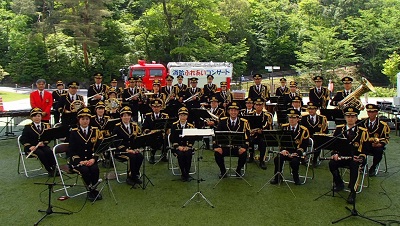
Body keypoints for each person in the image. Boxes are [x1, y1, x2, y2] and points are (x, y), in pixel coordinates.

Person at [329, 107, 369, 204]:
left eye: (352, 116)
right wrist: (334, 154)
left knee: (354, 166)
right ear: (345, 117)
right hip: (342, 156)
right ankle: (339, 183)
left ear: (356, 118)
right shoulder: (339, 129)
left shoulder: (363, 132)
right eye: (348, 116)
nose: (350, 118)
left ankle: (352, 192)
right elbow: (335, 146)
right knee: (332, 163)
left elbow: (366, 149)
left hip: (356, 158)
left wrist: (361, 157)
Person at [69, 108, 103, 201]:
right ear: (78, 120)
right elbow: (71, 151)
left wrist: (93, 159)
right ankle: (89, 189)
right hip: (78, 160)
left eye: (87, 119)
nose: (85, 121)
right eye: (82, 119)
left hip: (90, 159)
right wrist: (80, 161)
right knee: (85, 170)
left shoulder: (95, 131)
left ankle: (94, 188)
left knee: (95, 169)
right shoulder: (74, 132)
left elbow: (98, 148)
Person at [270, 109, 310, 185]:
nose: (291, 120)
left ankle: (296, 177)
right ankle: (277, 177)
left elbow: (304, 145)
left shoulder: (303, 130)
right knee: (277, 159)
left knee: (294, 161)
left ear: (298, 119)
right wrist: (283, 150)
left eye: (294, 118)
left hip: (296, 152)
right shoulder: (284, 127)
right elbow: (280, 141)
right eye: (290, 118)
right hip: (286, 151)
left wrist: (297, 153)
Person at [214, 102, 250, 178]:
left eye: (235, 110)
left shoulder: (244, 122)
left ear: (238, 112)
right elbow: (216, 135)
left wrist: (244, 147)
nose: (233, 112)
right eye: (231, 110)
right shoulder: (223, 121)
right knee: (217, 153)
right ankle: (223, 171)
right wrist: (216, 147)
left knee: (244, 153)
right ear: (228, 111)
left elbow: (248, 137)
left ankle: (238, 170)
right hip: (225, 147)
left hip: (238, 147)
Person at [20, 108, 56, 176]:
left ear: (41, 117)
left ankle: (54, 167)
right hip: (32, 147)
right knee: (41, 154)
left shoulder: (46, 125)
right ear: (31, 117)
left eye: (38, 116)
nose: (37, 118)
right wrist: (29, 146)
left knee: (49, 152)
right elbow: (23, 139)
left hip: (42, 146)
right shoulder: (28, 127)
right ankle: (49, 169)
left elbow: (49, 137)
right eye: (34, 116)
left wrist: (44, 143)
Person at [113, 106, 144, 186]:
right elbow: (116, 143)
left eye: (128, 115)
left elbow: (138, 138)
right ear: (121, 117)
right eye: (124, 115)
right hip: (121, 151)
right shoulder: (117, 127)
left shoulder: (134, 126)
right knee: (132, 157)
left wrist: (137, 148)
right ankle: (130, 177)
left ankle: (135, 174)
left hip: (132, 149)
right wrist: (127, 150)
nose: (126, 117)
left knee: (140, 156)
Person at [361, 104, 390, 176]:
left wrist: (380, 144)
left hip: (377, 145)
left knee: (379, 151)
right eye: (369, 112)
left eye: (372, 112)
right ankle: (361, 165)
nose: (370, 114)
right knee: (358, 148)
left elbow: (386, 138)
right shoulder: (362, 123)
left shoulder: (382, 125)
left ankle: (373, 167)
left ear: (376, 113)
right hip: (365, 145)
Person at [170, 107, 195, 182]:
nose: (182, 117)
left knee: (188, 154)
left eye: (184, 115)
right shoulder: (174, 125)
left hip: (187, 147)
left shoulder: (191, 126)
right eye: (181, 115)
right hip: (178, 147)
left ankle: (187, 172)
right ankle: (183, 173)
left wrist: (188, 146)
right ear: (178, 116)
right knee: (180, 155)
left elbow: (192, 139)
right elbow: (172, 138)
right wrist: (178, 147)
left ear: (187, 116)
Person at [142, 99, 169, 164]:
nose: (156, 108)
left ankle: (164, 154)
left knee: (166, 137)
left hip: (162, 135)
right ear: (152, 107)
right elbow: (144, 127)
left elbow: (168, 126)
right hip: (152, 135)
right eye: (154, 107)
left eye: (158, 107)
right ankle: (152, 155)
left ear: (161, 107)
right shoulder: (148, 116)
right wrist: (149, 131)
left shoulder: (165, 116)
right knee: (153, 138)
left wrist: (165, 132)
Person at [248, 98, 273, 169]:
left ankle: (262, 160)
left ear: (263, 106)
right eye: (257, 105)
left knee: (262, 142)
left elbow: (268, 126)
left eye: (260, 105)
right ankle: (251, 156)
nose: (258, 106)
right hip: (252, 134)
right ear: (254, 106)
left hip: (262, 135)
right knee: (249, 140)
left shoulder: (267, 116)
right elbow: (247, 125)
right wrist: (251, 131)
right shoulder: (250, 114)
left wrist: (261, 130)